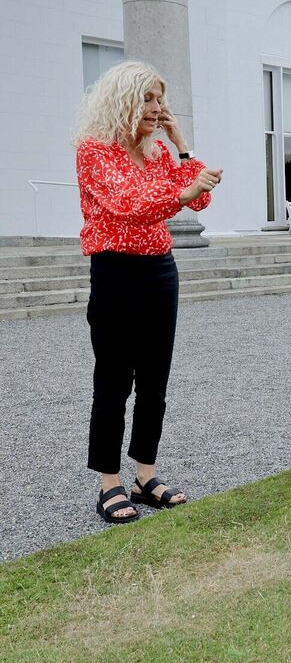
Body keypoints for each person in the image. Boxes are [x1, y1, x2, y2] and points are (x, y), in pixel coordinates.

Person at [73, 61, 223, 523]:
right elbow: (128, 205)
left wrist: (181, 146)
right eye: (149, 99)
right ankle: (109, 483)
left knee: (155, 381)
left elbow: (199, 199)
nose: (159, 108)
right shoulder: (94, 152)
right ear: (124, 100)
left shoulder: (157, 153)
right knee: (115, 379)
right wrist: (183, 190)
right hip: (116, 271)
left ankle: (145, 475)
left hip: (160, 271)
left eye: (161, 99)